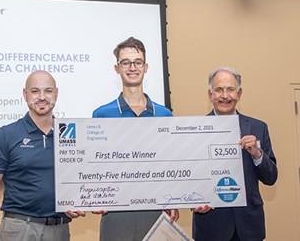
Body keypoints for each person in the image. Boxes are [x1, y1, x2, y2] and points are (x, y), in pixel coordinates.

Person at [0, 70, 85, 241]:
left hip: (59, 229)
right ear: (25, 94)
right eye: (35, 91)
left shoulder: (69, 134)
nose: (42, 97)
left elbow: (77, 180)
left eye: (48, 91)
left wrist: (76, 202)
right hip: (19, 229)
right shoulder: (7, 135)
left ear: (56, 94)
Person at [92, 37, 179, 241]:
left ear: (146, 66)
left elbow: (170, 162)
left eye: (138, 62)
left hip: (155, 210)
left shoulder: (164, 114)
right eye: (126, 62)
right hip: (115, 213)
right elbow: (95, 165)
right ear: (117, 68)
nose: (132, 67)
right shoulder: (101, 114)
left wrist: (174, 198)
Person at [192, 66, 278, 241]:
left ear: (239, 93)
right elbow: (189, 177)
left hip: (249, 227)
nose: (225, 96)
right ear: (210, 95)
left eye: (230, 89)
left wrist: (257, 153)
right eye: (219, 90)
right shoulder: (195, 130)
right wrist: (193, 202)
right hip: (210, 226)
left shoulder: (258, 127)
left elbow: (271, 178)